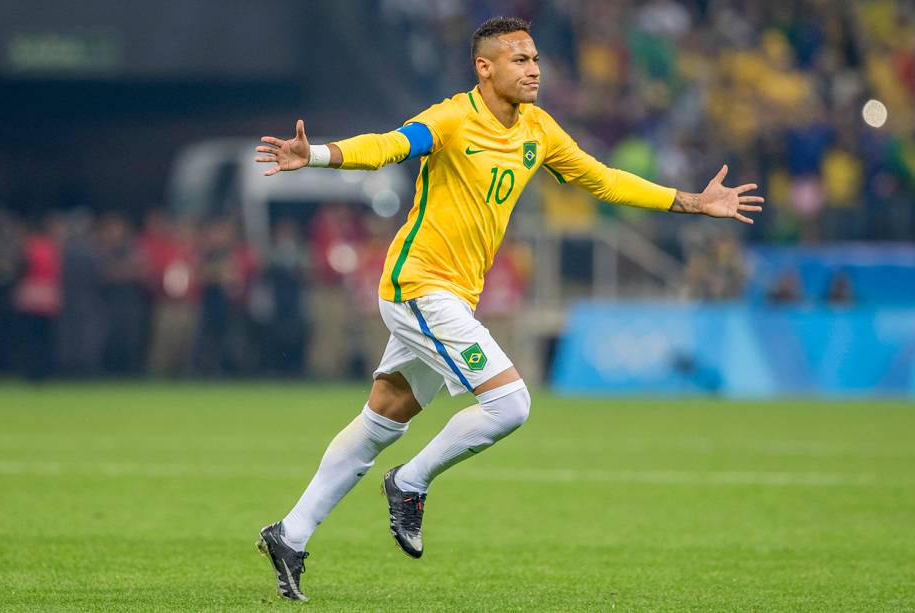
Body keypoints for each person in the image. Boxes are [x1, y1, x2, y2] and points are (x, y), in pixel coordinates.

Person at [253, 16, 763, 602]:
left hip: (452, 294)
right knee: (509, 403)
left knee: (383, 419)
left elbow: (601, 180)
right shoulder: (449, 119)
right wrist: (317, 154)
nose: (534, 69)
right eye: (520, 59)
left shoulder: (539, 129)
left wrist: (691, 202)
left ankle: (289, 535)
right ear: (484, 67)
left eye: (536, 59)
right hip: (418, 285)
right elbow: (388, 147)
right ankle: (411, 483)